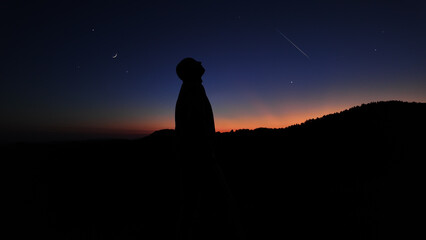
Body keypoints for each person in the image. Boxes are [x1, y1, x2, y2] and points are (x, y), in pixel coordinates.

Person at [175, 58, 244, 240]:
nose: (200, 63)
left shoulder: (191, 88)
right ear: (191, 70)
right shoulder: (194, 89)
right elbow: (195, 124)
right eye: (196, 63)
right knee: (215, 200)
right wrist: (207, 153)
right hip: (200, 156)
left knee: (194, 201)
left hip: (195, 155)